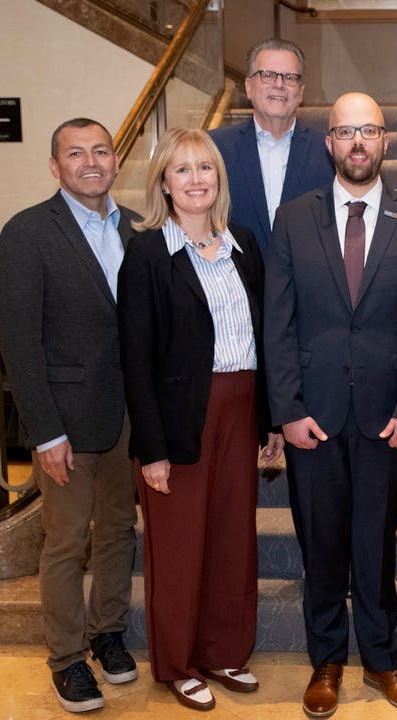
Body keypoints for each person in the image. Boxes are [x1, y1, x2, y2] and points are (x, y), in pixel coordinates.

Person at [263, 92, 397, 719]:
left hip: (387, 418)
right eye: (346, 132)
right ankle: (326, 661)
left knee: (376, 542)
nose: (357, 143)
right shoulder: (292, 219)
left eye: (368, 130)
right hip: (311, 416)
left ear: (386, 140)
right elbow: (278, 324)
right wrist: (285, 410)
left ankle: (383, 659)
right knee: (320, 544)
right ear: (330, 143)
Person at [118, 127, 284, 712]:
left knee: (232, 538)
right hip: (179, 419)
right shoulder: (145, 253)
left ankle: (223, 651)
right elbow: (135, 360)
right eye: (182, 170)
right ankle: (179, 662)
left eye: (205, 168)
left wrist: (269, 422)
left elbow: (263, 339)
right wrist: (152, 447)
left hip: (241, 409)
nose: (196, 180)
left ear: (220, 179)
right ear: (163, 181)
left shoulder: (243, 244)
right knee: (179, 545)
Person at [0, 117, 140, 713]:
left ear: (114, 160)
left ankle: (108, 634)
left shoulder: (136, 226)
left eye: (100, 151)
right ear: (55, 167)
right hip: (67, 422)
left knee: (119, 531)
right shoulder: (27, 232)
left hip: (129, 414)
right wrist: (45, 430)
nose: (90, 162)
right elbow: (20, 343)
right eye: (74, 153)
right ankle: (66, 658)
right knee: (65, 542)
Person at [210, 37, 334, 251]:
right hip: (236, 280)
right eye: (267, 75)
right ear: (248, 87)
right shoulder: (214, 147)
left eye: (290, 77)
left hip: (305, 282)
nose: (279, 84)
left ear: (301, 91)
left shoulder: (327, 150)